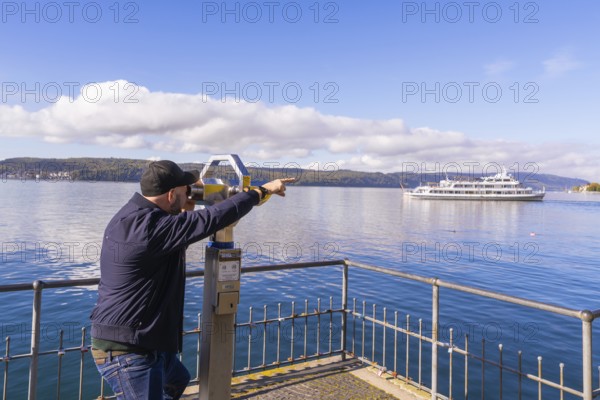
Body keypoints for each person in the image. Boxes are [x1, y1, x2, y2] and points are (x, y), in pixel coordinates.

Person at [90, 160, 293, 399]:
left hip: (143, 341)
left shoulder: (135, 216)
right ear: (170, 194)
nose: (189, 192)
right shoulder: (149, 228)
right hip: (128, 351)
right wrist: (261, 191)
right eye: (184, 189)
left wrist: (187, 207)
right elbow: (212, 218)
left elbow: (179, 236)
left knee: (177, 380)